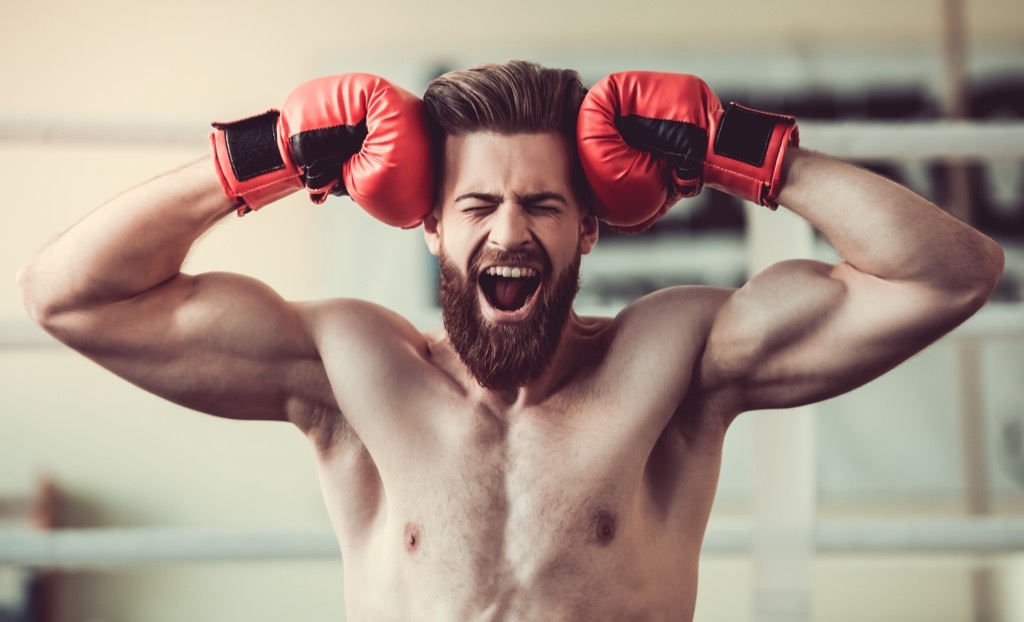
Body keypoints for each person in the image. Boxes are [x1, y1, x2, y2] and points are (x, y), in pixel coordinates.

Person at [16, 60, 1004, 621]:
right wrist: (270, 153)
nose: (510, 231)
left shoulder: (672, 363)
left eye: (541, 204)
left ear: (590, 227)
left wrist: (731, 150)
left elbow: (947, 272)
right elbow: (72, 298)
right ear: (431, 226)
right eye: (479, 204)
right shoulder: (353, 372)